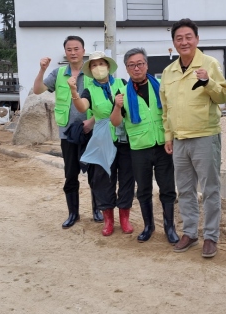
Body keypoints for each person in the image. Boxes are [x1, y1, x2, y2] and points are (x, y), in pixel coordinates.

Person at [160, 19, 226, 258]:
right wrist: (168, 136)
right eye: (179, 38)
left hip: (205, 136)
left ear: (197, 39)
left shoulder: (209, 64)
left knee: (210, 189)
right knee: (185, 190)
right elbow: (166, 108)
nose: (184, 42)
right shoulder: (169, 72)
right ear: (174, 42)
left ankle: (210, 236)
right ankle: (190, 233)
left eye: (188, 37)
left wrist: (207, 82)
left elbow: (224, 96)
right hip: (179, 139)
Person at [110, 48, 179, 244]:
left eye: (140, 64)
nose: (136, 68)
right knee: (143, 189)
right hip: (139, 148)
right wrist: (117, 106)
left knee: (167, 188)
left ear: (146, 65)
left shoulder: (160, 87)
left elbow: (171, 113)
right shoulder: (122, 93)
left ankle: (169, 227)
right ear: (126, 68)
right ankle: (149, 226)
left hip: (163, 145)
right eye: (131, 65)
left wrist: (171, 137)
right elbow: (115, 122)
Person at [33, 36, 102, 228]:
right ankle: (73, 213)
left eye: (76, 49)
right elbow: (37, 90)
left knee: (95, 173)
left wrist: (92, 121)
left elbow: (105, 99)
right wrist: (42, 70)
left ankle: (97, 210)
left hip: (92, 130)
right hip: (68, 133)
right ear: (65, 52)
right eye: (69, 49)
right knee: (70, 174)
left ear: (83, 51)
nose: (73, 52)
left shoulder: (93, 72)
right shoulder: (58, 73)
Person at [70, 51, 135, 237]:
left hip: (124, 137)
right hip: (102, 138)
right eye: (94, 65)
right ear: (90, 70)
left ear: (108, 66)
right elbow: (82, 107)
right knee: (103, 178)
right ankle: (108, 219)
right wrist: (74, 92)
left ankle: (124, 217)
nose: (98, 68)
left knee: (127, 177)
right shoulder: (89, 90)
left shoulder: (122, 83)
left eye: (101, 64)